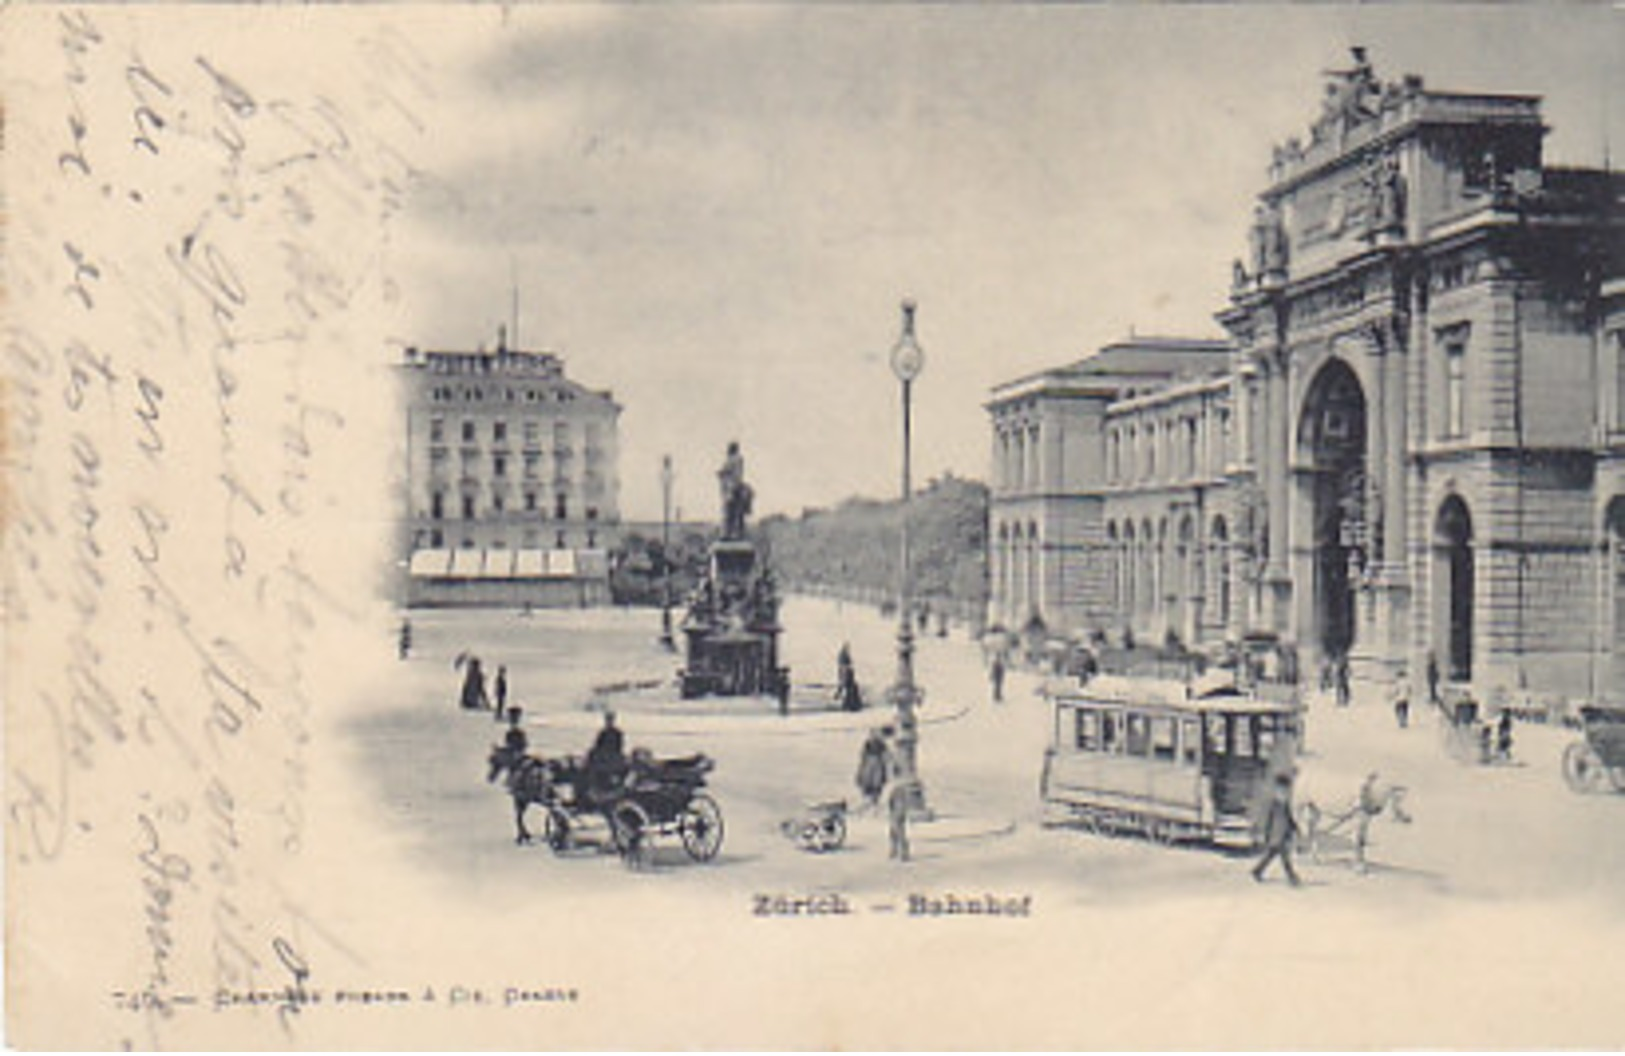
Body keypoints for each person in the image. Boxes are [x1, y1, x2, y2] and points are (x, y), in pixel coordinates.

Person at [1251, 773, 1301, 886]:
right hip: (1276, 835)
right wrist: (1266, 834)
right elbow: (1268, 821)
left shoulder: (1285, 804)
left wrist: (1295, 828)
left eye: (1286, 791)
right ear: (1276, 790)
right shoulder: (1274, 804)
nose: (1284, 793)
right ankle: (1292, 878)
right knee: (1284, 858)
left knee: (1272, 855)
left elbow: (1289, 818)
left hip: (1283, 835)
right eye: (1281, 791)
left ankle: (1257, 871)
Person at [855, 727, 890, 810]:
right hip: (870, 764)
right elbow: (863, 756)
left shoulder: (881, 745)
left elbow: (886, 756)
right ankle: (869, 800)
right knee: (868, 781)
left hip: (876, 764)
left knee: (876, 782)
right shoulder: (868, 745)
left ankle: (873, 801)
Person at [887, 778, 915, 862]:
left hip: (898, 814)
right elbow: (891, 803)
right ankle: (895, 851)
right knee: (894, 833)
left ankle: (902, 853)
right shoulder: (899, 791)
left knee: (898, 833)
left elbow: (891, 803)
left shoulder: (898, 791)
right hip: (897, 813)